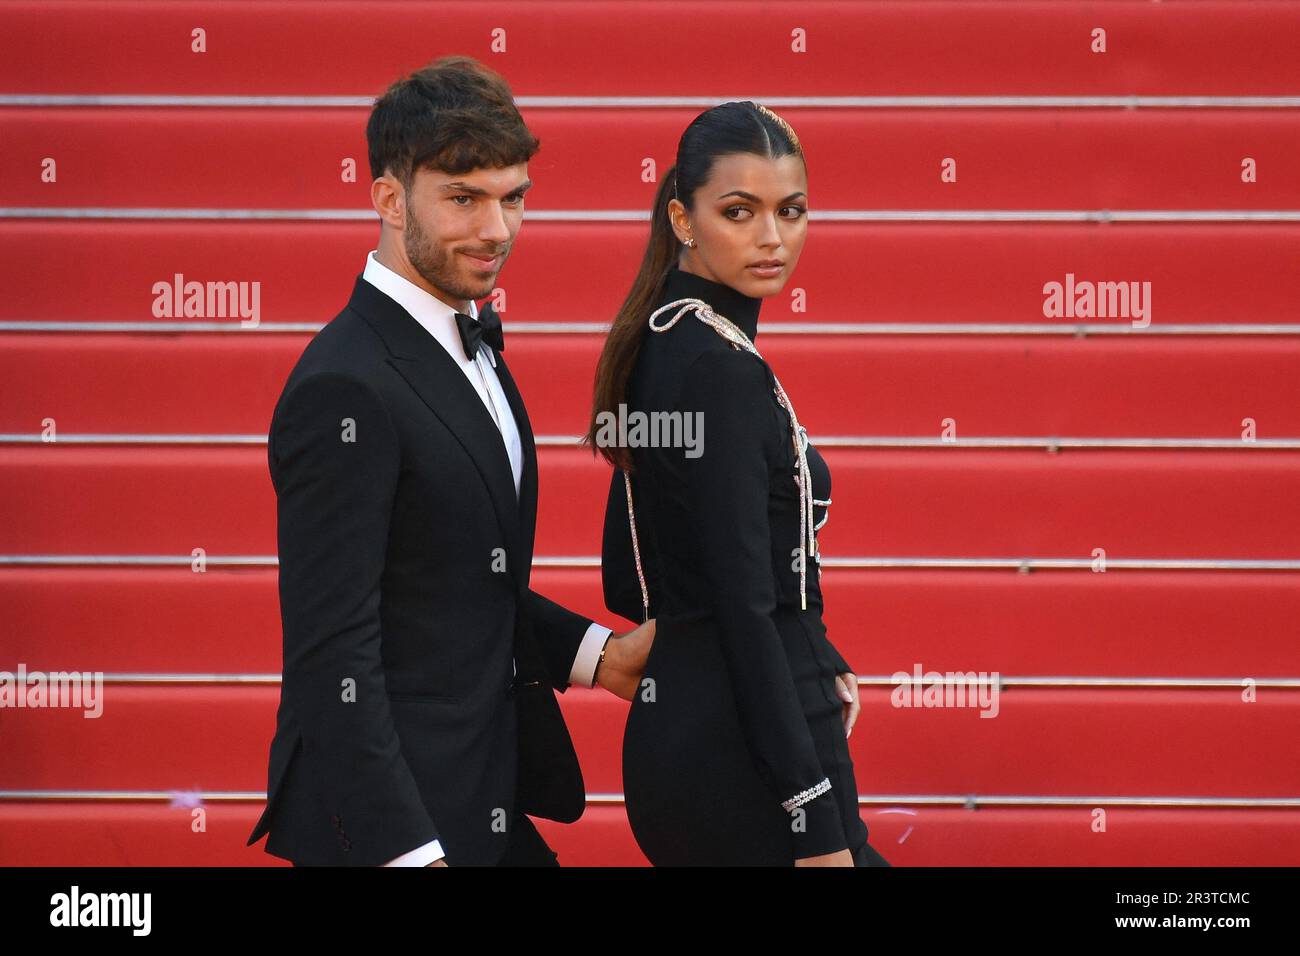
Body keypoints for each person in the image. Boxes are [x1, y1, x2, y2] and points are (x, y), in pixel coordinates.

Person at [246, 56, 655, 867]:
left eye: (515, 199)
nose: (497, 229)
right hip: (396, 828)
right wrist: (407, 854)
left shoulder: (468, 346)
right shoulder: (344, 386)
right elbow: (334, 656)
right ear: (391, 201)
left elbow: (449, 575)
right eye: (464, 199)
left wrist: (597, 656)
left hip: (483, 800)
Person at [586, 101, 890, 867]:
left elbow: (636, 577)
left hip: (698, 737)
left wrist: (811, 652)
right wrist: (812, 815)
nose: (772, 237)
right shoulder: (716, 367)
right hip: (752, 770)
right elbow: (742, 607)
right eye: (739, 211)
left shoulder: (662, 340)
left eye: (791, 211)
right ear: (682, 219)